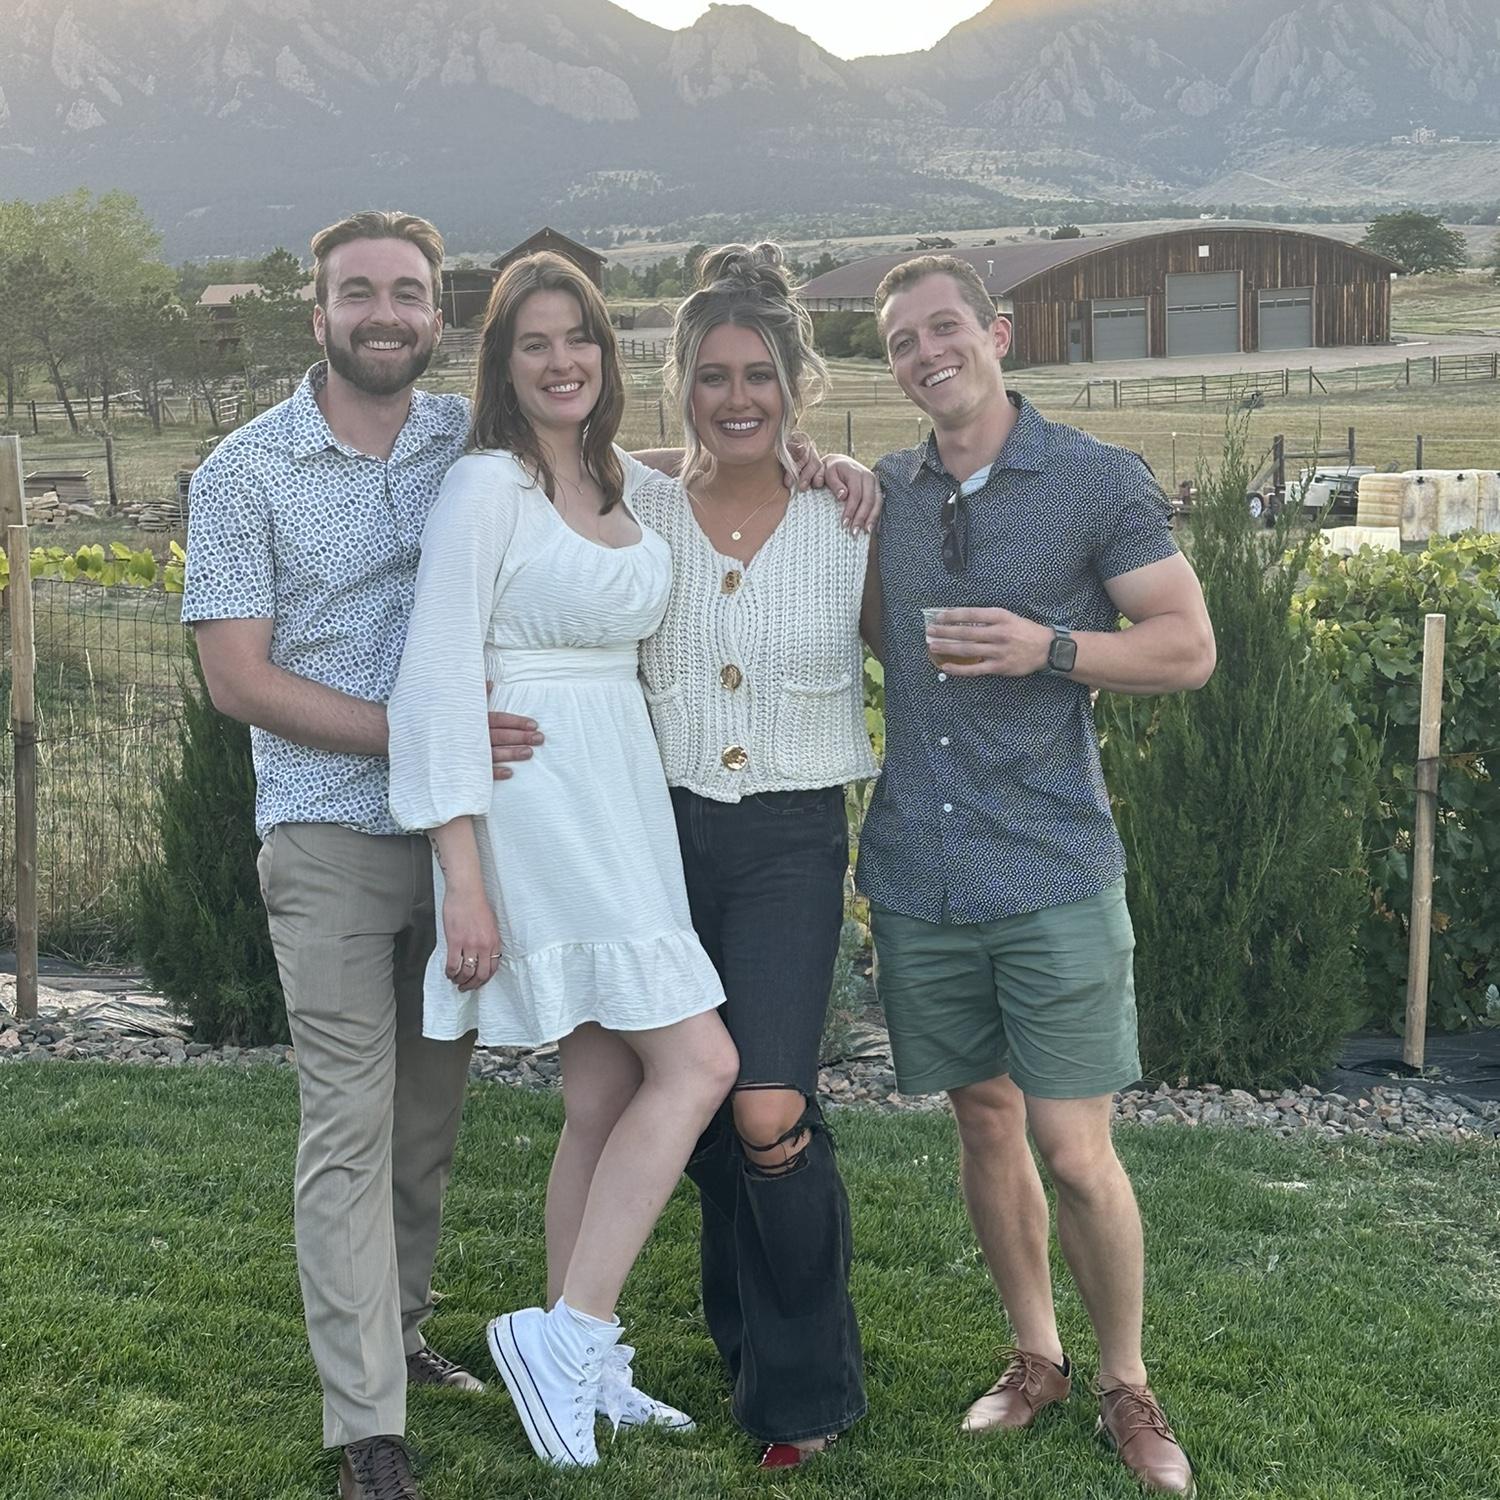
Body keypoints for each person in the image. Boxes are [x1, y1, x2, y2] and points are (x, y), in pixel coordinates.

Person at [182, 210, 544, 1500]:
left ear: (437, 313)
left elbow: (608, 456)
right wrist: (421, 730)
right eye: (359, 292)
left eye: (408, 292)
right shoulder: (242, 471)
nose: (385, 312)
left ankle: (398, 1331)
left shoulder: (473, 444)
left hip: (460, 845)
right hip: (328, 834)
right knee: (347, 1123)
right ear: (318, 313)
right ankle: (365, 1428)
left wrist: (803, 459)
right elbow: (237, 679)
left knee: (426, 1123)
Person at [859, 255, 1216, 1497]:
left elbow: (1186, 647)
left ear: (997, 333)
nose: (926, 353)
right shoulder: (885, 495)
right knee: (984, 1118)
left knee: (1072, 1145)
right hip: (920, 870)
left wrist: (1047, 647)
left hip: (1053, 865)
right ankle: (1036, 1357)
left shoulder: (1094, 480)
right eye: (901, 341)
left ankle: (1127, 1382)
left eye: (943, 327)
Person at [385, 251, 743, 1471]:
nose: (560, 361)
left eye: (577, 337)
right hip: (535, 805)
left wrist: (821, 461)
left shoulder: (625, 481)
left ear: (604, 352)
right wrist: (462, 878)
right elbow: (435, 675)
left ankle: (583, 1361)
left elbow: (728, 472)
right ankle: (566, 1332)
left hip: (621, 796)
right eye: (533, 342)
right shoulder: (485, 486)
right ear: (502, 362)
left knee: (601, 1096)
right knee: (700, 1062)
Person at [629, 243, 875, 1468]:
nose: (737, 398)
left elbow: (919, 652)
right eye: (713, 375)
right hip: (654, 838)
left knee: (769, 1108)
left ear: (796, 383)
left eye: (759, 375)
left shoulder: (849, 513)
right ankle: (748, 1336)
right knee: (698, 1111)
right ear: (680, 382)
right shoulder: (632, 506)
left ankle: (805, 1388)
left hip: (788, 839)